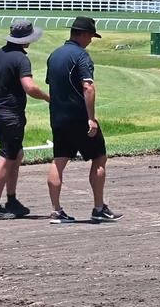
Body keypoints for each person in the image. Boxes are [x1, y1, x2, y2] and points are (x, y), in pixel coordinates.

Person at [45, 16, 123, 223]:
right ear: (83, 34)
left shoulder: (54, 55)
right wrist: (91, 118)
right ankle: (98, 207)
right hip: (78, 116)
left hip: (58, 116)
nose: (90, 40)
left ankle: (56, 210)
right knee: (99, 157)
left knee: (59, 160)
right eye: (90, 36)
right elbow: (87, 86)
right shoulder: (81, 56)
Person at [0, 20, 50, 220]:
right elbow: (29, 87)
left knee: (16, 155)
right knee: (7, 157)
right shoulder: (21, 59)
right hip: (11, 116)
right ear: (26, 39)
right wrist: (48, 97)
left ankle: (12, 199)